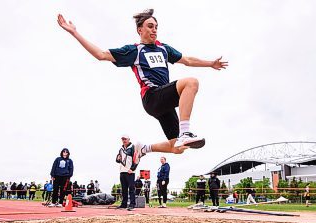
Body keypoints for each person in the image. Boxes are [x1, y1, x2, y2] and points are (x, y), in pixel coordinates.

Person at [57, 9, 228, 159]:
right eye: (150, 26)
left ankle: (145, 148)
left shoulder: (163, 49)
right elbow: (101, 54)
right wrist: (74, 32)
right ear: (140, 30)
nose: (154, 30)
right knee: (191, 83)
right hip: (152, 97)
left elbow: (188, 60)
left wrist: (211, 63)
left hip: (164, 102)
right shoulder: (134, 51)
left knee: (178, 148)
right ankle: (185, 132)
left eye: (156, 27)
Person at [115, 134, 138, 211]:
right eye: (123, 139)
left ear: (129, 139)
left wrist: (132, 168)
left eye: (125, 139)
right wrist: (118, 159)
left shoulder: (133, 147)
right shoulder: (121, 149)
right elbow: (118, 160)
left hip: (130, 171)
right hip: (122, 171)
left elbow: (137, 159)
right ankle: (124, 204)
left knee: (131, 189)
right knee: (124, 189)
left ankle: (132, 204)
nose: (124, 140)